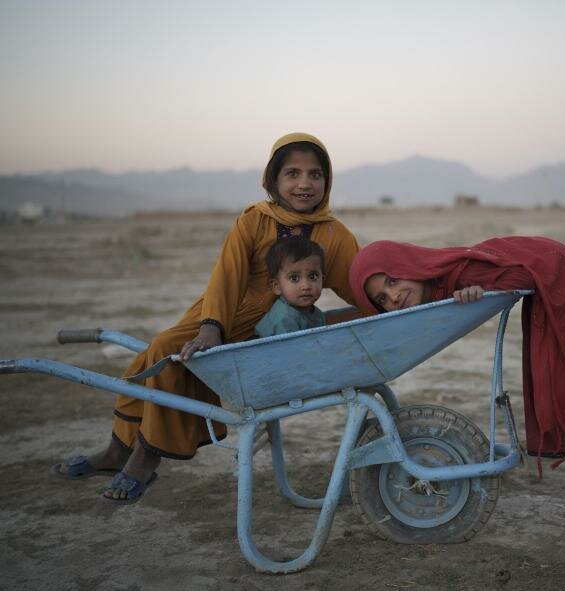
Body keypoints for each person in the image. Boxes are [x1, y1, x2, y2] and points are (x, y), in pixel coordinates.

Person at [53, 132, 360, 504]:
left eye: (315, 174)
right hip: (219, 311)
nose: (304, 184)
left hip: (268, 332)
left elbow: (358, 285)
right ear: (273, 180)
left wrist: (402, 300)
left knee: (165, 353)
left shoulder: (334, 235)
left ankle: (143, 459)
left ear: (326, 181)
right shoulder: (254, 220)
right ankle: (118, 451)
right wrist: (211, 327)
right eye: (292, 173)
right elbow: (226, 276)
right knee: (156, 353)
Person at [348, 236, 565, 465]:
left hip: (551, 263)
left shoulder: (461, 275)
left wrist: (484, 290)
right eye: (382, 299)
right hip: (542, 256)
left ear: (409, 265)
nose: (392, 296)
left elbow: (521, 276)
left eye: (392, 281)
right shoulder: (439, 285)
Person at [254, 236, 325, 337]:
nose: (306, 286)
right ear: (276, 286)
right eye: (294, 278)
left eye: (312, 276)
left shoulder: (316, 313)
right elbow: (292, 352)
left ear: (322, 279)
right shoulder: (284, 319)